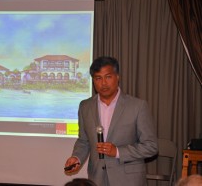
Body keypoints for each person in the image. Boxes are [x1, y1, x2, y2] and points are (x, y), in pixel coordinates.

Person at [64, 56, 158, 186]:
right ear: (93, 81)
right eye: (98, 78)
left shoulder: (138, 106)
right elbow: (84, 141)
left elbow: (151, 146)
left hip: (128, 180)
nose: (103, 83)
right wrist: (77, 157)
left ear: (117, 77)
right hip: (96, 177)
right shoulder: (85, 106)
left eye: (108, 77)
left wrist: (118, 151)